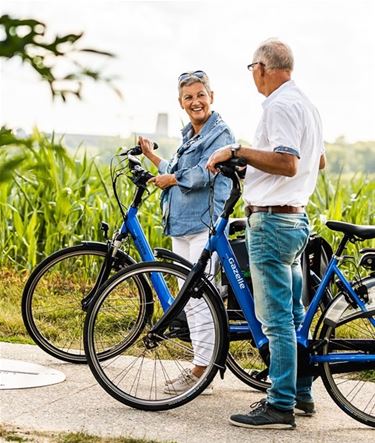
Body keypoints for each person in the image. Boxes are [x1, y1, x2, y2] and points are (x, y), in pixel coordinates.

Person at [207, 39, 326, 429]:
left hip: (272, 224)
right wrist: (254, 168)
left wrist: (238, 151)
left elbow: (288, 162)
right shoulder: (306, 104)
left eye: (251, 69)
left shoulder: (279, 104)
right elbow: (315, 160)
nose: (252, 77)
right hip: (294, 220)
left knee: (275, 320)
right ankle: (301, 393)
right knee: (292, 316)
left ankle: (279, 405)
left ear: (261, 67)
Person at [138, 70, 235, 394]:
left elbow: (206, 172)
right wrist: (153, 156)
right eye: (188, 97)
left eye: (200, 95)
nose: (195, 102)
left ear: (211, 96)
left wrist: (174, 180)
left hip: (204, 224)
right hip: (182, 225)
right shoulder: (190, 135)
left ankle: (200, 372)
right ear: (181, 103)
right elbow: (177, 169)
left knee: (200, 299)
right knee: (190, 300)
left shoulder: (219, 133)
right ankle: (201, 366)